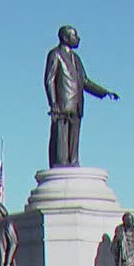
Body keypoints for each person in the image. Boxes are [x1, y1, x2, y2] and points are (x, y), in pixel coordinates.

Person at [43, 25, 119, 167]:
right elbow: (49, 80)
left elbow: (84, 81)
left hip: (77, 105)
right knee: (61, 141)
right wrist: (53, 102)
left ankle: (73, 164)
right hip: (62, 105)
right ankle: (61, 166)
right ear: (65, 38)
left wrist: (104, 92)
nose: (78, 39)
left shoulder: (76, 59)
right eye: (74, 36)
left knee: (74, 145)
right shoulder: (55, 54)